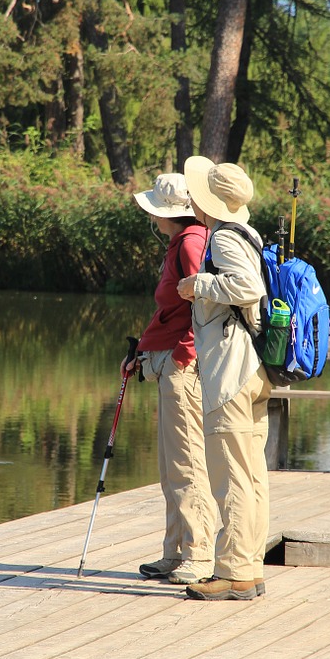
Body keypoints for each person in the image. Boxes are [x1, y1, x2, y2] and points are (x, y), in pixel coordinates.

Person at [177, 156, 271, 601]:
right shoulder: (248, 234)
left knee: (231, 476)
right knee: (252, 476)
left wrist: (197, 285)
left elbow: (247, 287)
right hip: (254, 370)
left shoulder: (225, 240)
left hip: (232, 374)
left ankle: (233, 573)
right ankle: (248, 567)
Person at [129, 173, 218, 585]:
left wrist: (183, 352)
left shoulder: (191, 242)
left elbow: (206, 301)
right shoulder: (179, 242)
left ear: (170, 214)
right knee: (170, 464)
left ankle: (199, 555)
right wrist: (143, 351)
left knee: (186, 462)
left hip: (183, 365)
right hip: (167, 360)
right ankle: (175, 551)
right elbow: (173, 308)